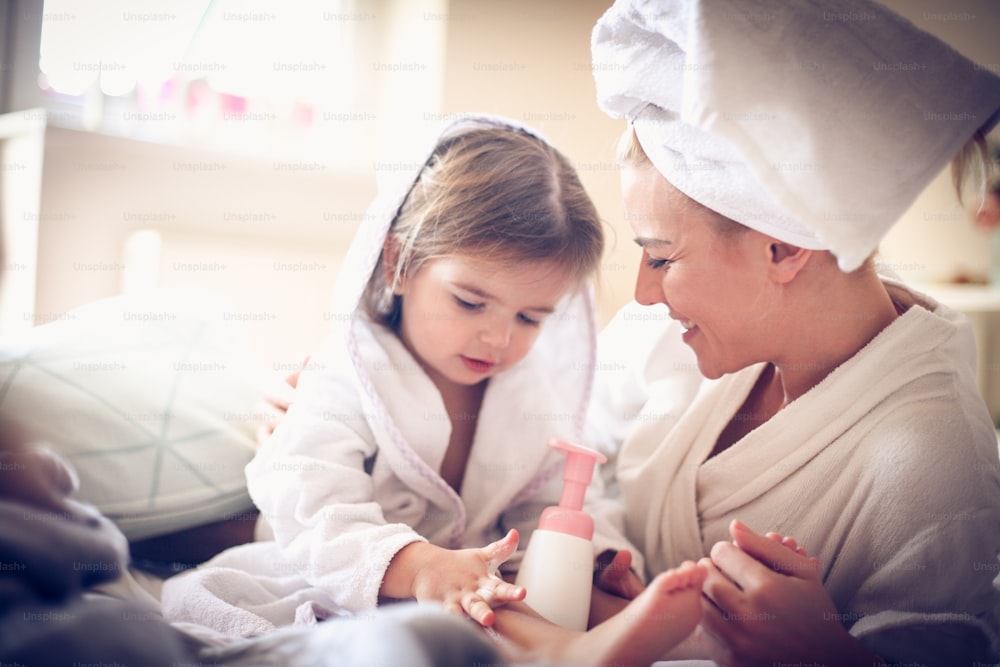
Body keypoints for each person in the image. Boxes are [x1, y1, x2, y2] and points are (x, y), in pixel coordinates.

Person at [163, 113, 725, 665]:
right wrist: (421, 566)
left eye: (531, 318)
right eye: (470, 302)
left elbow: (554, 502)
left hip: (476, 591)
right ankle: (563, 651)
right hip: (346, 579)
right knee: (403, 638)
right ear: (398, 263)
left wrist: (591, 556)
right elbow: (310, 507)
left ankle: (624, 634)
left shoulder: (531, 395)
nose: (498, 337)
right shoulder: (348, 375)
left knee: (530, 603)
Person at [578, 0, 1000, 664]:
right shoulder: (670, 335)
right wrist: (604, 560)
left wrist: (832, 653)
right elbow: (560, 457)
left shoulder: (934, 461)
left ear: (782, 250)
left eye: (661, 257)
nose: (642, 291)